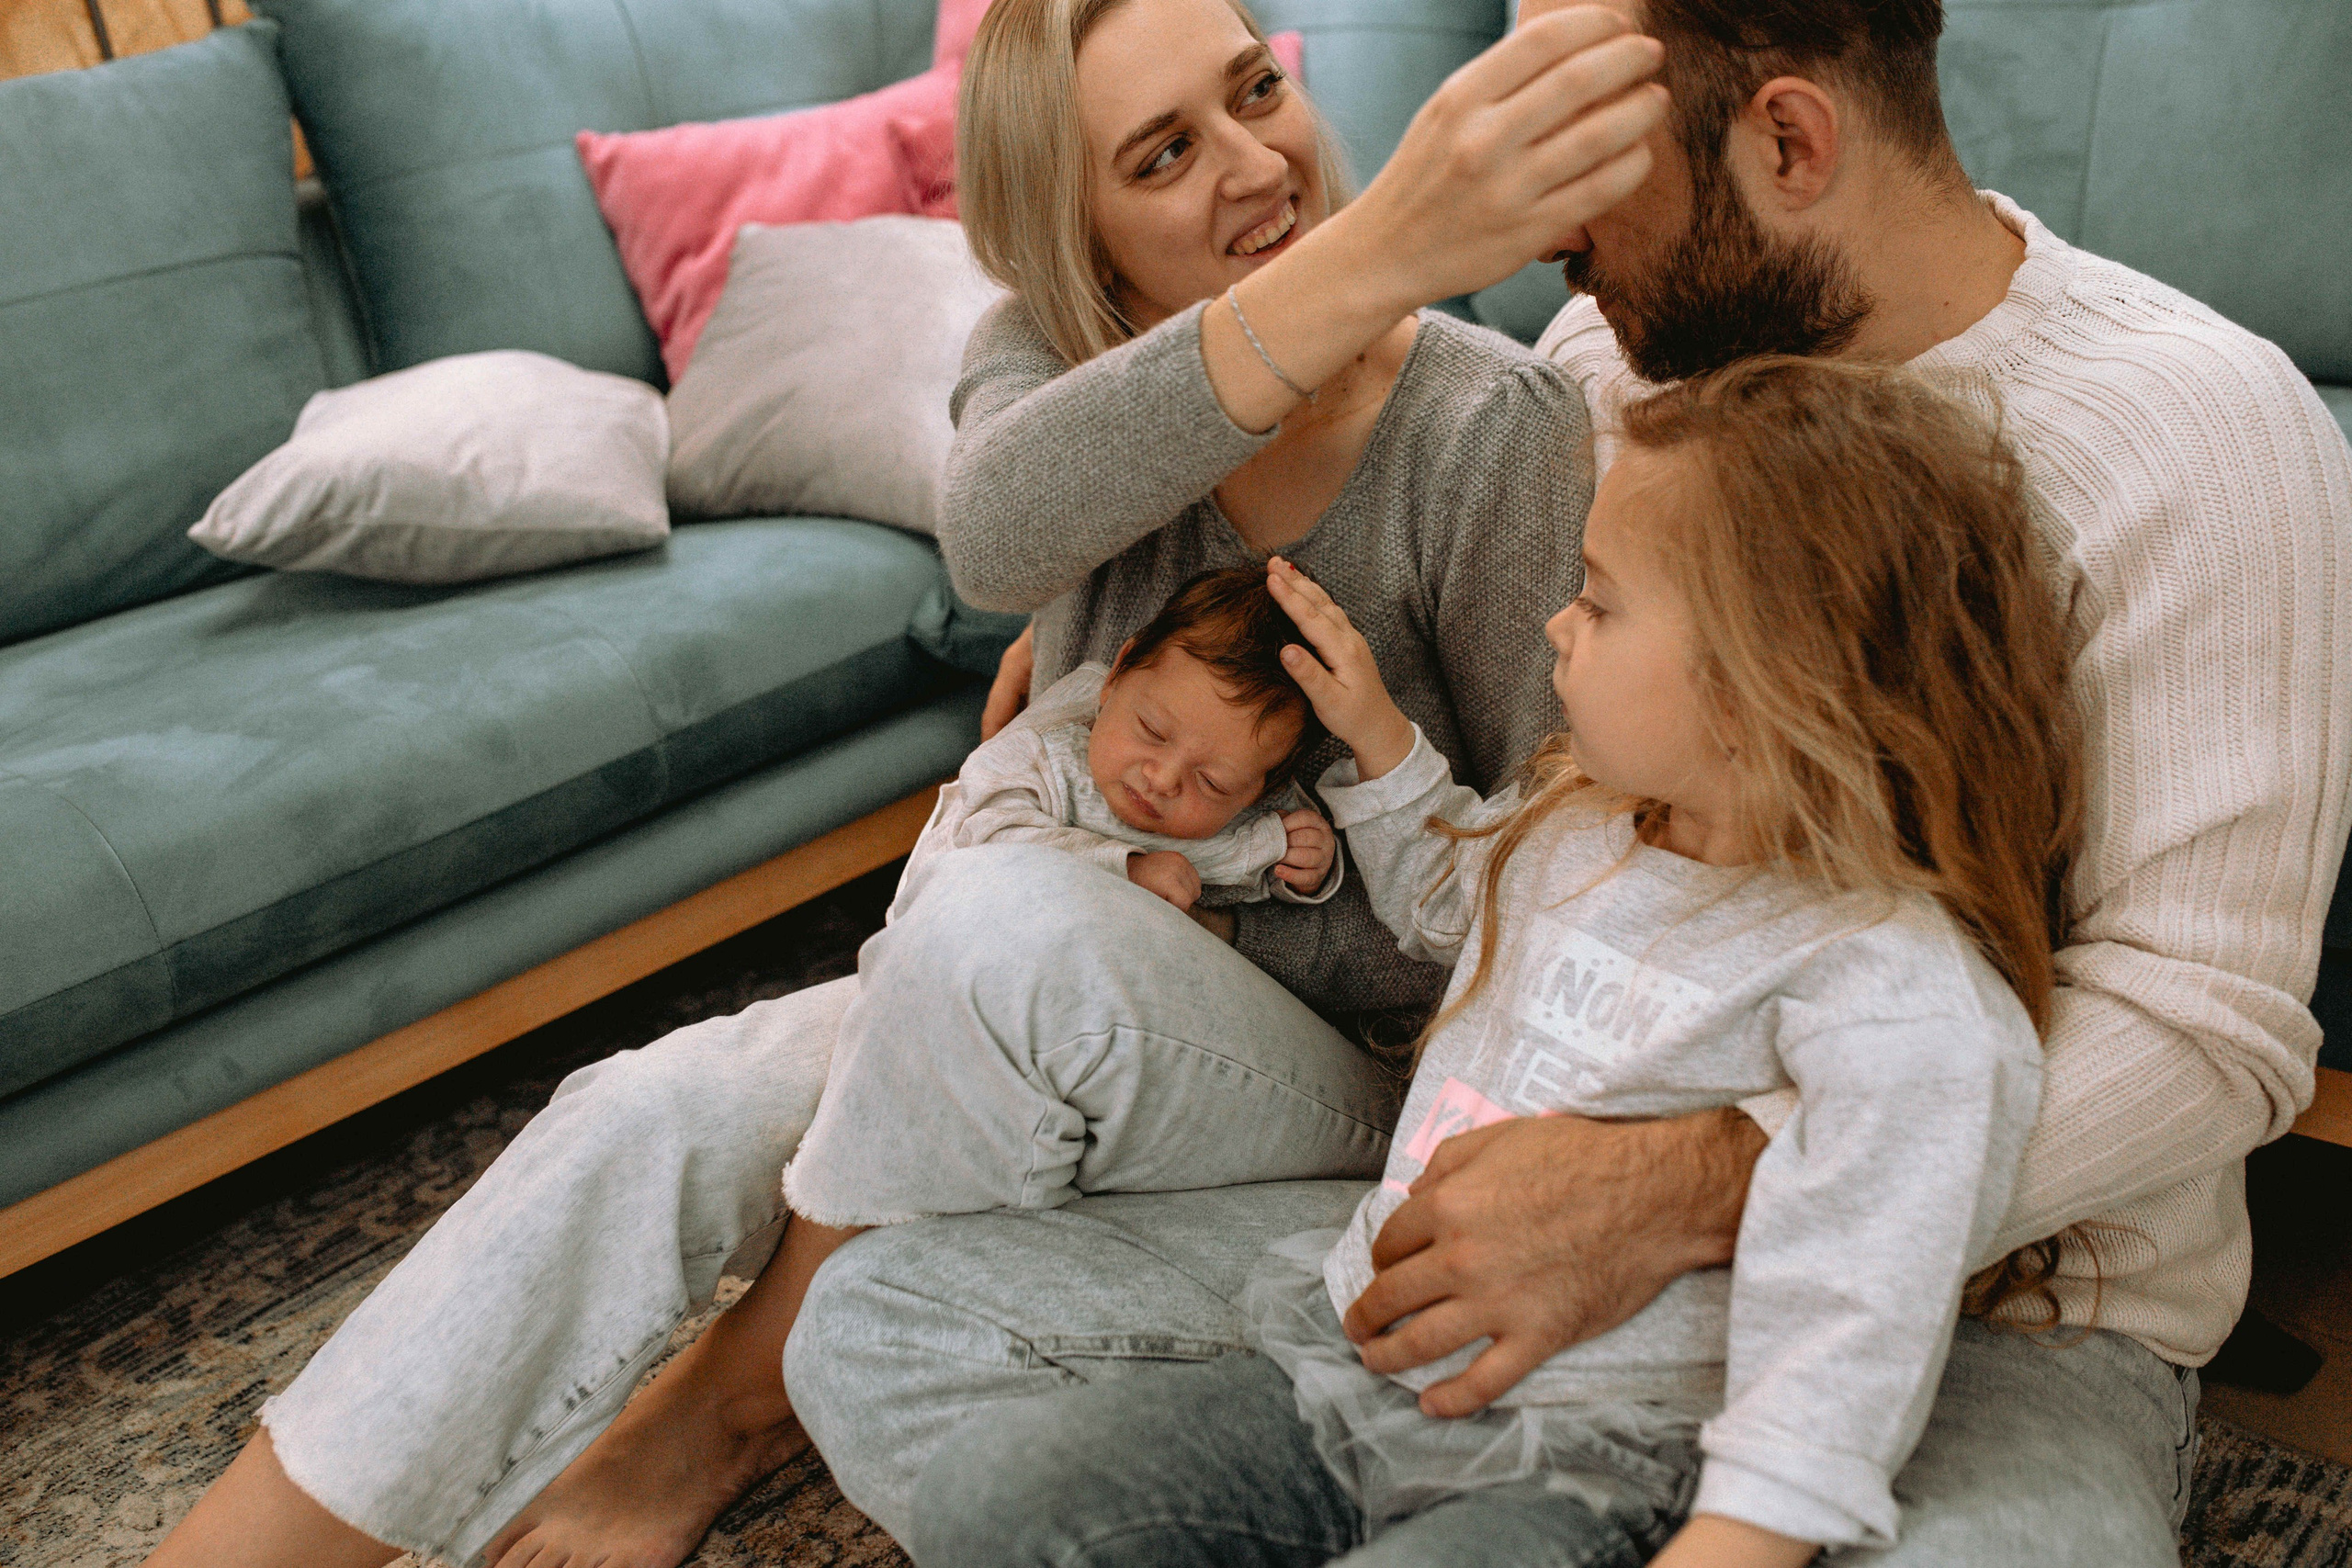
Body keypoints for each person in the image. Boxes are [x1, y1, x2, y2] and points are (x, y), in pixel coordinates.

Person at [791, 1, 2352, 1562]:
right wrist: (1103, 694)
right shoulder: (1597, 366)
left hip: (1987, 1300)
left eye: (1572, 144)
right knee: (884, 1327)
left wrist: (1683, 1187)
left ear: (1789, 142)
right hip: (1502, 1216)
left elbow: (2203, 1032)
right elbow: (1523, 850)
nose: (1535, 227)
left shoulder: (2203, 429)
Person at [141, 3, 1663, 1565]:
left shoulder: (1487, 425)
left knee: (996, 924)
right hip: (1015, 999)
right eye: (1162, 154)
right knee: (649, 1109)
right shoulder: (1048, 373)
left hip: (1337, 1084)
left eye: (1254, 92)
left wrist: (1206, 904)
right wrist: (1358, 266)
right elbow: (994, 536)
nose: (1255, 161)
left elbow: (1528, 907)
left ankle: (721, 1411)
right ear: (1080, 239)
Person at [922, 354, 2080, 1564]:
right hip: (1350, 1372)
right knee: (996, 1491)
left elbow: (1840, 1347)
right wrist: (1372, 727)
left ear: (1759, 687)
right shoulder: (1575, 831)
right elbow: (1444, 891)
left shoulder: (1895, 993)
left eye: (1599, 600)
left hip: (1596, 1464)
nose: (1554, 623)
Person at [886, 569, 1343, 921]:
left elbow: (1256, 862)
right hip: (953, 930)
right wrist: (1127, 871)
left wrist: (1303, 871)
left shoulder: (1243, 818)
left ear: (1259, 793)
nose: (1162, 780)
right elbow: (988, 839)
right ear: (1117, 676)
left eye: (1211, 782)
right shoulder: (1042, 754)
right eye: (1152, 730)